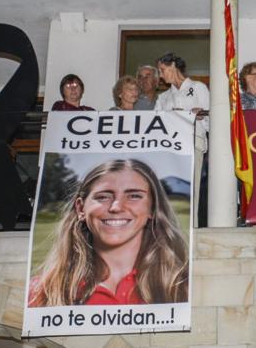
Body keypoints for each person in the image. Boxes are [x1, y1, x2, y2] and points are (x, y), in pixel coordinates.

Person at [28, 159, 189, 307]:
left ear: (152, 209)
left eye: (134, 196)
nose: (116, 207)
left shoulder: (182, 285)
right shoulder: (42, 292)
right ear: (80, 208)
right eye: (103, 197)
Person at [155, 53, 210, 226]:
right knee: (170, 189)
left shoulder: (198, 87)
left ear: (173, 65)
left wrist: (201, 116)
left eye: (162, 70)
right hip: (171, 148)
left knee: (192, 188)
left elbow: (211, 120)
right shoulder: (163, 98)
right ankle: (171, 226)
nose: (161, 75)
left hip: (194, 143)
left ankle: (191, 227)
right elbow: (156, 124)